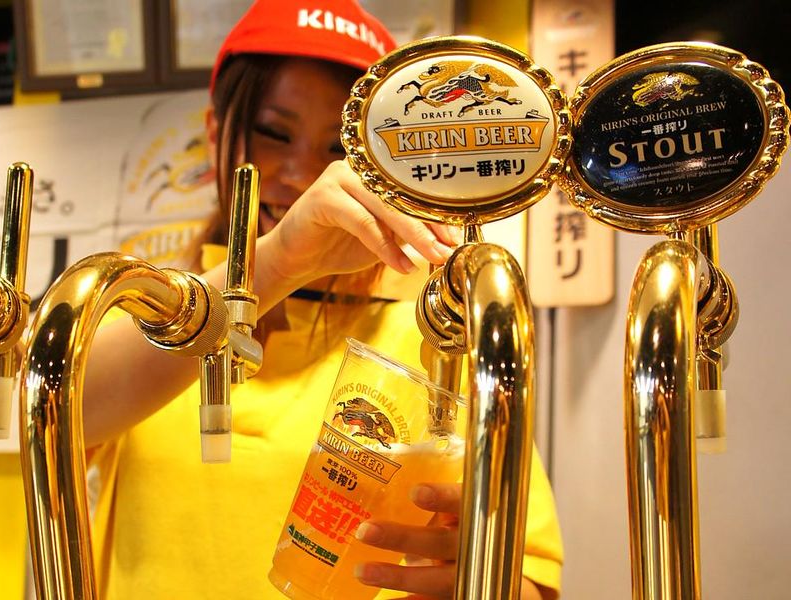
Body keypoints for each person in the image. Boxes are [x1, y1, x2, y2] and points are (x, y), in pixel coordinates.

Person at [82, 1, 563, 598]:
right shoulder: (149, 311)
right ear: (214, 132)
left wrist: (479, 575)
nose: (300, 174)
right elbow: (59, 411)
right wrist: (277, 262)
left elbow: (534, 579)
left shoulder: (439, 331)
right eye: (273, 132)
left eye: (338, 149)